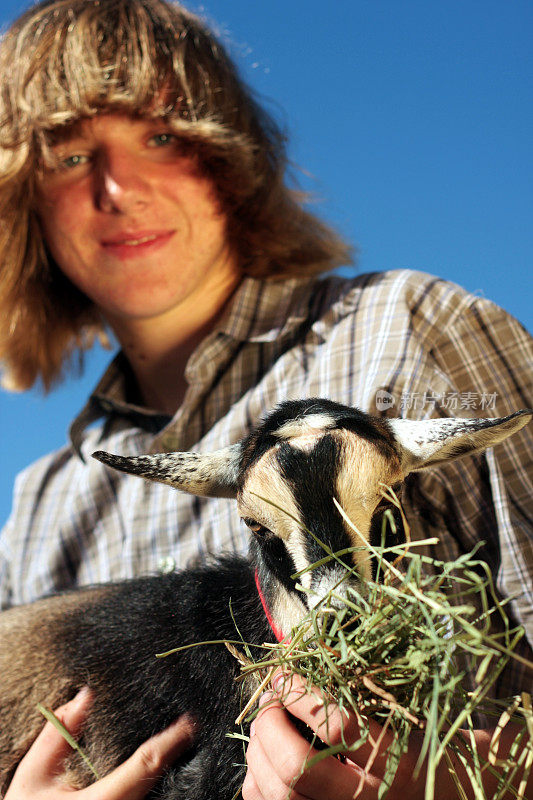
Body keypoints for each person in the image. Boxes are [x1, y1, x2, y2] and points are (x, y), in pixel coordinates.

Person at [0, 1, 531, 798]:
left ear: (228, 159)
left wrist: (466, 778)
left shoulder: (416, 334)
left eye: (161, 137)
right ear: (24, 202)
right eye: (71, 157)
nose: (119, 189)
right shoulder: (45, 501)